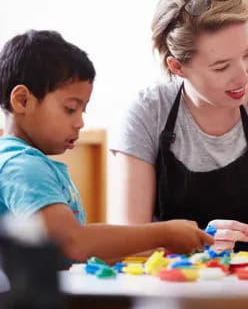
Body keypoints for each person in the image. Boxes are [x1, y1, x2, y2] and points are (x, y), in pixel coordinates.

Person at [109, 0, 248, 252]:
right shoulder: (147, 113)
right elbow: (131, 242)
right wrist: (203, 245)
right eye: (221, 67)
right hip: (171, 287)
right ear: (178, 67)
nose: (243, 76)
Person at [0, 30, 214, 265]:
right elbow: (72, 243)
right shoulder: (21, 165)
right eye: (71, 108)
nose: (80, 122)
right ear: (22, 100)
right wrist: (165, 232)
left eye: (83, 110)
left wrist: (164, 249)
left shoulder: (30, 163)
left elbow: (80, 250)